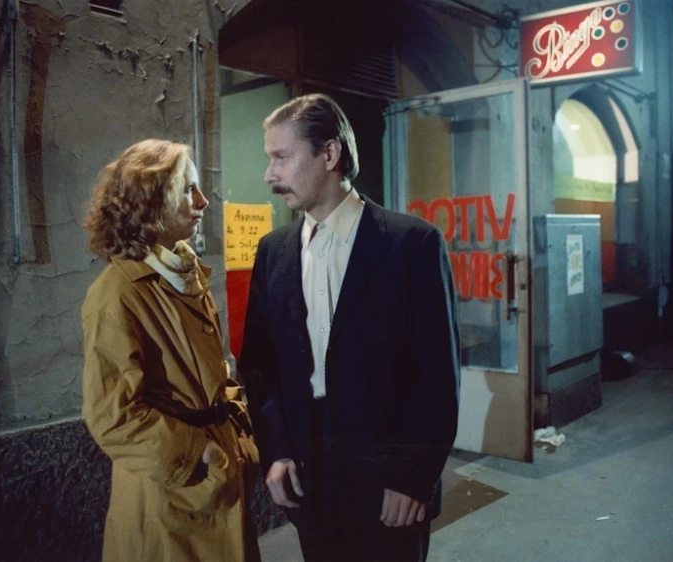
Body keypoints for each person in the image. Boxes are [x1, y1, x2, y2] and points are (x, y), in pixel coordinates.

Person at [238, 94, 460, 562]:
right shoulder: (273, 250)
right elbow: (260, 367)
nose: (269, 175)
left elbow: (437, 375)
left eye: (281, 157)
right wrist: (276, 451)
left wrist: (411, 477)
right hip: (307, 478)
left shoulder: (411, 243)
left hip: (388, 481)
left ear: (330, 153)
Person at [81, 139, 261, 562]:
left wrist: (238, 432)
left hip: (217, 479)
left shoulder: (184, 273)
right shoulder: (117, 292)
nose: (202, 201)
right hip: (172, 495)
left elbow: (213, 373)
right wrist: (200, 452)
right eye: (187, 189)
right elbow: (112, 416)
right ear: (150, 201)